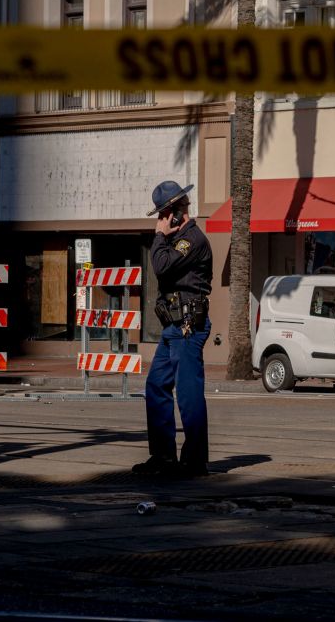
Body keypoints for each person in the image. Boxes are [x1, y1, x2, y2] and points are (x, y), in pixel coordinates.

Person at [133, 181, 213, 479]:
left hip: (188, 327)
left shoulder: (190, 240)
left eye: (164, 214)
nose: (161, 221)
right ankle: (163, 456)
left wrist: (158, 236)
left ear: (176, 214)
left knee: (188, 394)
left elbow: (161, 267)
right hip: (173, 327)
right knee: (156, 387)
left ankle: (194, 461)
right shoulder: (175, 240)